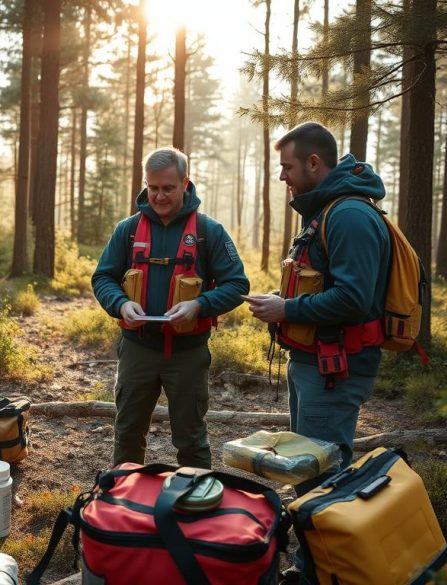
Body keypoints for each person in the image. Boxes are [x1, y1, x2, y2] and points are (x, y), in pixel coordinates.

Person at [243, 122, 390, 585]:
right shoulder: (326, 211)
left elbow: (354, 299)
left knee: (323, 474)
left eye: (288, 166)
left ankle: (324, 573)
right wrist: (285, 304)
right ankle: (316, 565)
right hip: (316, 363)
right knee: (312, 467)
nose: (283, 176)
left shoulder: (347, 215)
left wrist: (286, 307)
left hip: (336, 368)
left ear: (313, 163)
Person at [92, 147, 250, 469]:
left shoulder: (209, 232)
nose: (159, 196)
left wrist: (200, 304)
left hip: (187, 353)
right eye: (153, 188)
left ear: (185, 183)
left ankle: (195, 507)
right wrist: (120, 304)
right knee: (127, 433)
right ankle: (123, 503)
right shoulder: (128, 230)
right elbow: (103, 278)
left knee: (191, 438)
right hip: (137, 350)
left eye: (168, 188)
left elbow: (238, 285)